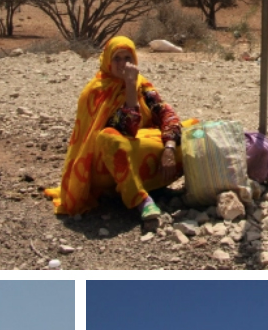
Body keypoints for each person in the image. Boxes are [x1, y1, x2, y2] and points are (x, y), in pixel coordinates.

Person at [44, 35, 186, 219]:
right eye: (117, 58)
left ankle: (184, 187)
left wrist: (169, 148)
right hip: (108, 166)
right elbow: (127, 129)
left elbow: (166, 114)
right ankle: (141, 200)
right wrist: (130, 88)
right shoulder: (95, 92)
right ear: (107, 62)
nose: (122, 64)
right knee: (108, 137)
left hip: (144, 155)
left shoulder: (142, 84)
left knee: (192, 129)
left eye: (127, 58)